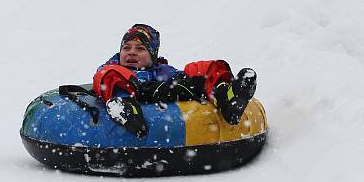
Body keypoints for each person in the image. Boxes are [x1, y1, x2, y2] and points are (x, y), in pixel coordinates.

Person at [92, 24, 257, 129]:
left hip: (159, 92)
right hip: (134, 93)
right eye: (126, 48)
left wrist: (186, 82)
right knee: (112, 75)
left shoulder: (161, 70)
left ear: (152, 55)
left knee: (198, 69)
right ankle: (125, 108)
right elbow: (101, 80)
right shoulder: (112, 68)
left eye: (140, 48)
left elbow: (180, 79)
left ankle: (227, 98)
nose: (132, 52)